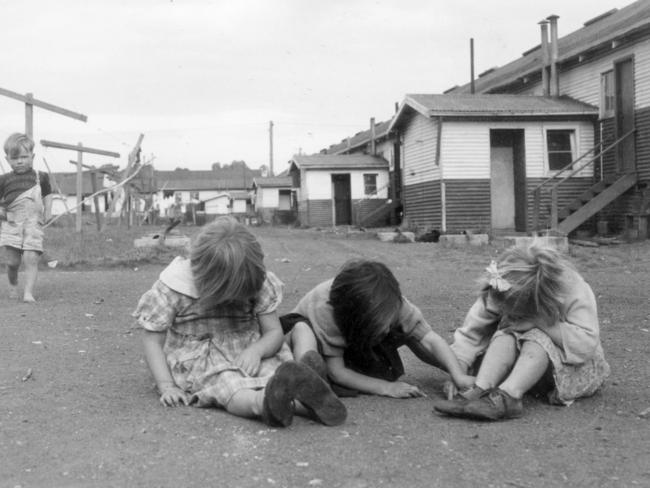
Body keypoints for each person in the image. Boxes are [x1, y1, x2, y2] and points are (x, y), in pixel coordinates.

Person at [133, 217, 346, 427]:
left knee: (276, 374)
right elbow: (152, 342)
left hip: (248, 346)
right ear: (208, 282)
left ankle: (306, 401)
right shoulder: (175, 287)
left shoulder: (256, 280)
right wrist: (166, 385)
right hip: (201, 358)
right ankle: (261, 405)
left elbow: (273, 332)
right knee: (230, 386)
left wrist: (258, 350)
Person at [433, 243, 610, 421]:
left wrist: (540, 323)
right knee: (506, 332)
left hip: (573, 371)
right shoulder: (502, 286)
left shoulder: (571, 288)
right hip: (527, 368)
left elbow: (585, 343)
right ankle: (481, 389)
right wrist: (458, 371)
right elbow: (473, 332)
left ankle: (510, 396)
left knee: (536, 337)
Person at [281, 259, 475, 398]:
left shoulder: (393, 303)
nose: (386, 331)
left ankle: (318, 382)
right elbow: (337, 371)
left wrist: (457, 374)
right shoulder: (326, 309)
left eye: (386, 326)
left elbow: (430, 340)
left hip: (355, 342)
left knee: (410, 331)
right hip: (309, 341)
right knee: (303, 333)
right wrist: (386, 388)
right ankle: (307, 378)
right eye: (380, 328)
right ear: (356, 320)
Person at [0, 133, 53, 302]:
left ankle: (28, 293)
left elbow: (47, 195)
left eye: (24, 157)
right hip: (11, 224)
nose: (20, 161)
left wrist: (48, 211)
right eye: (15, 158)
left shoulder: (41, 177)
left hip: (33, 224)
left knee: (31, 257)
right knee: (12, 262)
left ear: (32, 156)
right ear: (7, 159)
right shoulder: (4, 180)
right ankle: (13, 283)